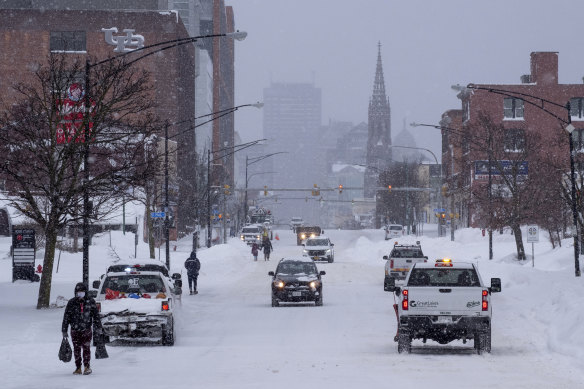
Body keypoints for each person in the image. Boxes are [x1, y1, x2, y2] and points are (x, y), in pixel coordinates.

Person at [62, 282, 103, 375]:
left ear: (85, 292)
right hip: (75, 330)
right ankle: (78, 367)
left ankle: (87, 367)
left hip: (87, 330)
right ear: (75, 292)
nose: (80, 293)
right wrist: (64, 330)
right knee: (76, 349)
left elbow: (96, 316)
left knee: (86, 348)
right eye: (78, 292)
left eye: (82, 291)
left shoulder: (91, 301)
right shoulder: (71, 302)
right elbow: (66, 317)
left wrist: (99, 327)